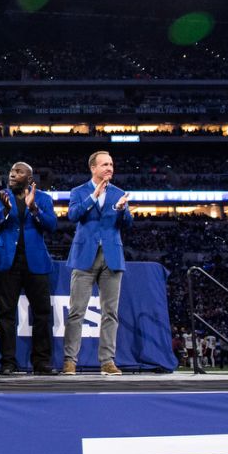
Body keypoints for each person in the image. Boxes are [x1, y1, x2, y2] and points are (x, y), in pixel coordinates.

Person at [63, 151, 133, 377]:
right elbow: (73, 215)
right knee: (77, 312)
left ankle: (107, 361)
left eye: (111, 164)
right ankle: (70, 361)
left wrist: (123, 211)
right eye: (105, 164)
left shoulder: (119, 193)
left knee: (110, 313)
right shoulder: (78, 192)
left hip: (111, 257)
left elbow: (128, 224)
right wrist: (93, 196)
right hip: (85, 256)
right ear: (93, 168)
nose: (110, 168)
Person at [0, 162, 58, 376]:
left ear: (29, 178)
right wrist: (6, 212)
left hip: (35, 262)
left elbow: (52, 225)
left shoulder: (43, 198)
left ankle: (42, 363)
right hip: (7, 262)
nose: (13, 175)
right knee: (6, 314)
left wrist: (34, 208)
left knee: (42, 314)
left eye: (18, 172)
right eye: (11, 172)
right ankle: (7, 363)